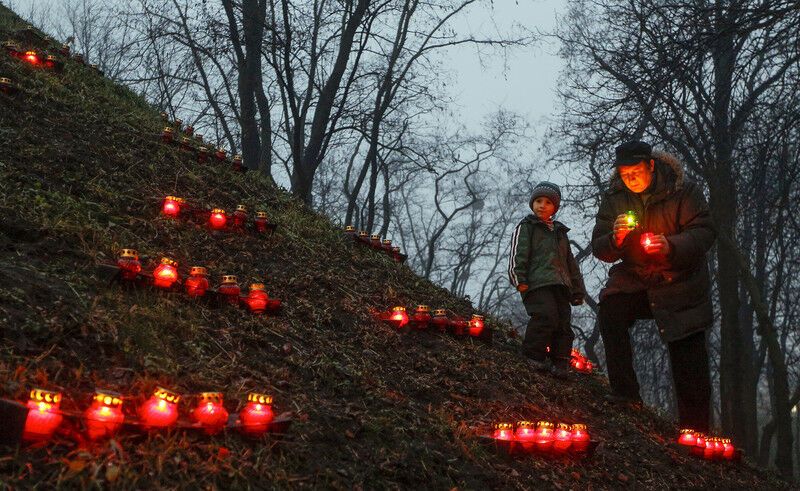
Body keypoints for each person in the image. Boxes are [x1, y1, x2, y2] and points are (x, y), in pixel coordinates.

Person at [592, 140, 716, 432]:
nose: (631, 179)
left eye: (636, 171)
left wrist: (670, 246)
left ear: (650, 165)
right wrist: (616, 239)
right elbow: (600, 246)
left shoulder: (683, 191)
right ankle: (626, 397)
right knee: (611, 310)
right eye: (624, 174)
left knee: (689, 357)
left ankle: (696, 432)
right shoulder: (615, 197)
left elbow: (705, 231)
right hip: (635, 278)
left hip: (680, 282)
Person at [508, 181, 586, 377]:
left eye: (548, 202)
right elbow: (519, 253)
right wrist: (518, 278)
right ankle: (533, 355)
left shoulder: (560, 232)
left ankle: (560, 362)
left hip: (561, 285)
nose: (542, 205)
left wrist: (577, 290)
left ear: (555, 208)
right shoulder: (527, 226)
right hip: (536, 283)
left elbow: (571, 264)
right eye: (538, 201)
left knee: (563, 321)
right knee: (545, 315)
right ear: (532, 203)